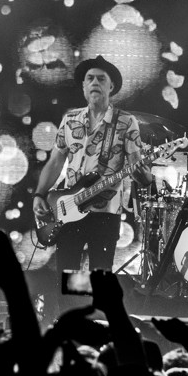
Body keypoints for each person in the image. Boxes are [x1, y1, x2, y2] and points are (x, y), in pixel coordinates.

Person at [32, 56, 145, 273]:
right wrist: (39, 194)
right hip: (68, 209)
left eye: (101, 79)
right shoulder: (70, 119)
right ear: (83, 86)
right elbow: (55, 162)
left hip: (105, 214)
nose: (95, 82)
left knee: (100, 278)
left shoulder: (126, 121)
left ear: (111, 87)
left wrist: (144, 175)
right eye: (90, 78)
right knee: (67, 276)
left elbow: (136, 167)